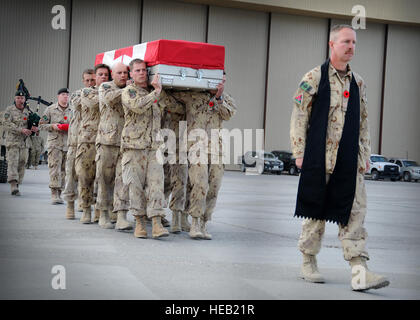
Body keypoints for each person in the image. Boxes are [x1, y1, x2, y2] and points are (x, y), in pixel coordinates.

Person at [290, 24, 389, 291]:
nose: (351, 47)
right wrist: (299, 153)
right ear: (332, 44)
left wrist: (364, 155)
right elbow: (299, 117)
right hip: (319, 158)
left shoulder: (359, 83)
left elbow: (364, 123)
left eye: (354, 42)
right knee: (315, 211)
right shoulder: (313, 77)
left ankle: (360, 271)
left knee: (355, 212)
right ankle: (308, 260)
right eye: (346, 42)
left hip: (349, 161)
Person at [171, 75, 237, 240]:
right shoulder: (192, 94)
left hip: (216, 149)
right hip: (196, 148)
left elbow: (228, 114)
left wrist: (218, 97)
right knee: (199, 184)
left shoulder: (226, 98)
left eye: (222, 80)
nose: (218, 82)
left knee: (214, 187)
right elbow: (170, 95)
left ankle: (204, 222)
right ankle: (194, 223)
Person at [95, 62, 131, 230]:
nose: (123, 75)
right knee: (104, 179)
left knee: (123, 180)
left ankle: (122, 215)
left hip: (126, 142)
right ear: (112, 74)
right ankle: (103, 213)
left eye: (125, 72)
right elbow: (110, 99)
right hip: (107, 141)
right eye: (119, 72)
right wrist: (128, 90)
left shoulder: (132, 88)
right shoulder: (105, 87)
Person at [76, 65, 111, 224]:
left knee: (103, 178)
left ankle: (101, 210)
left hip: (105, 140)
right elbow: (94, 103)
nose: (103, 77)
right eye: (100, 74)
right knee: (85, 177)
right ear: (95, 77)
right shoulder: (87, 92)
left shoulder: (113, 91)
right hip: (88, 140)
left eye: (106, 75)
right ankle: (85, 208)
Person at [63, 69, 96, 220]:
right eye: (87, 80)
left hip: (90, 142)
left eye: (92, 80)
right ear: (83, 81)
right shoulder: (77, 94)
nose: (90, 83)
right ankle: (70, 205)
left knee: (88, 176)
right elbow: (77, 104)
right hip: (74, 142)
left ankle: (86, 203)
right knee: (71, 175)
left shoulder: (100, 94)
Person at [40, 88, 71, 204]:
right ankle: (54, 193)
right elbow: (41, 125)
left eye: (67, 95)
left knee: (64, 170)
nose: (65, 97)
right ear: (58, 96)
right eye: (63, 94)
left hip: (68, 144)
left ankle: (60, 192)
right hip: (54, 144)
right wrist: (53, 126)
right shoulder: (50, 109)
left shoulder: (73, 109)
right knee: (54, 168)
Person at [2, 91, 36, 195]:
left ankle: (18, 183)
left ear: (25, 99)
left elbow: (33, 122)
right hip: (12, 142)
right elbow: (6, 123)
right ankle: (13, 185)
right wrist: (20, 130)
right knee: (13, 162)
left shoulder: (28, 111)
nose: (20, 100)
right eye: (18, 98)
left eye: (22, 98)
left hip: (24, 142)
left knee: (22, 162)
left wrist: (34, 128)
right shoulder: (9, 110)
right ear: (15, 99)